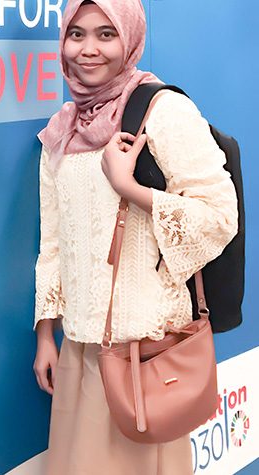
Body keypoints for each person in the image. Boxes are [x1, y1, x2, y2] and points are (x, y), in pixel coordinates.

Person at [32, 0, 238, 473]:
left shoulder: (164, 111)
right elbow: (54, 241)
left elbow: (219, 216)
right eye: (77, 34)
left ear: (130, 39)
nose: (88, 49)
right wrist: (46, 333)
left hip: (146, 358)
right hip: (81, 352)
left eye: (106, 34)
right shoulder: (62, 129)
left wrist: (129, 188)